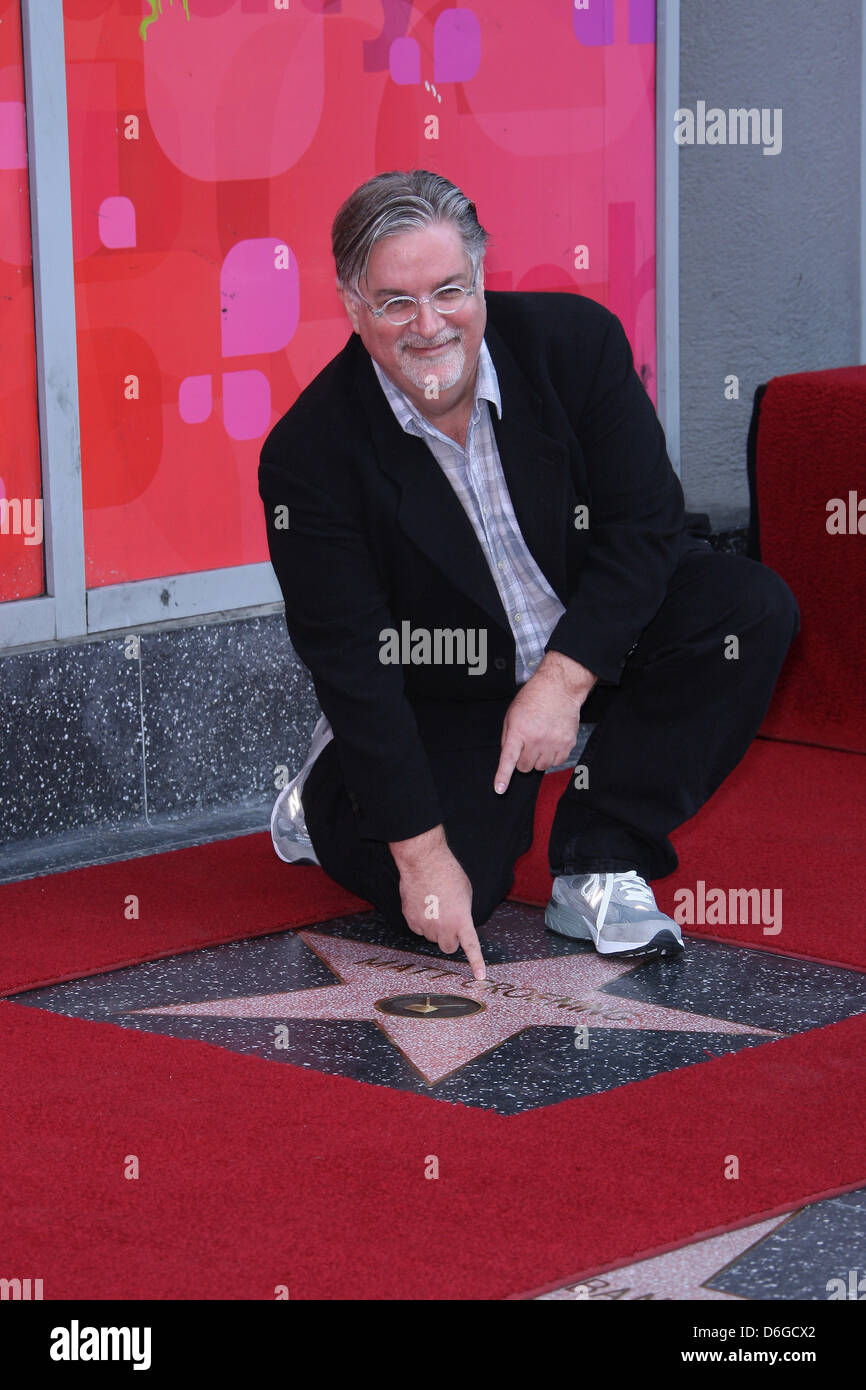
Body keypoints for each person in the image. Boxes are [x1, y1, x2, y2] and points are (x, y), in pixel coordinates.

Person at [258, 169, 799, 984]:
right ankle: (323, 800)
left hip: (586, 641)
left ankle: (600, 858)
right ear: (353, 306)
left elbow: (645, 524)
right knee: (459, 894)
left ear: (481, 276)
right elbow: (353, 666)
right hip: (446, 680)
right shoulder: (309, 456)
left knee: (747, 609)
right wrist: (420, 855)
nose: (430, 324)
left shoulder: (575, 345)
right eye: (397, 302)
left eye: (450, 290)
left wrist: (565, 676)